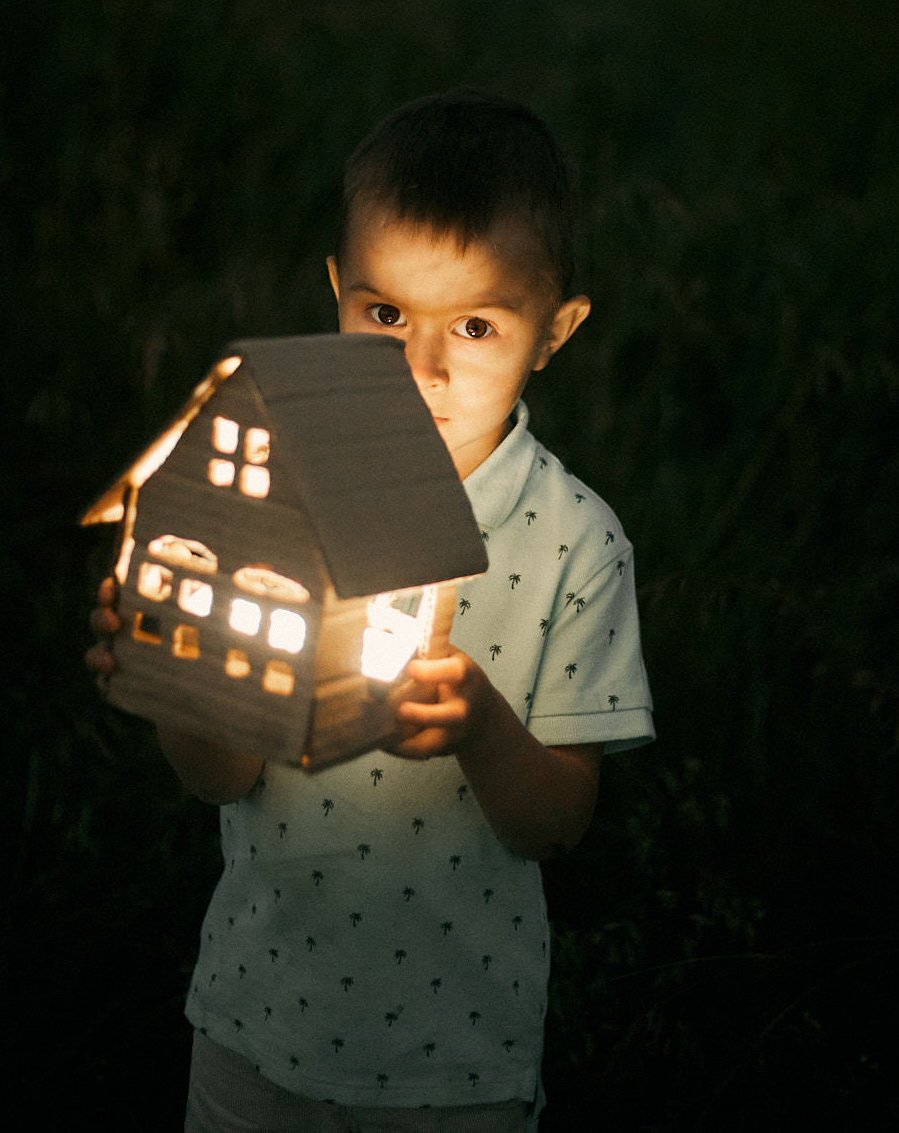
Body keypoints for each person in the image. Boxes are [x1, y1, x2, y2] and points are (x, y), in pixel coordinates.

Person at [87, 89, 655, 1131]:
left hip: (453, 1057)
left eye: (476, 326)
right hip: (257, 1019)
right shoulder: (270, 489)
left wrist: (481, 727)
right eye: (385, 313)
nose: (421, 365)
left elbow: (556, 826)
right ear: (338, 291)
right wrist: (176, 669)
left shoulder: (571, 541)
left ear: (554, 332)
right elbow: (219, 776)